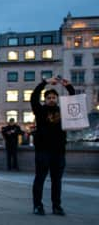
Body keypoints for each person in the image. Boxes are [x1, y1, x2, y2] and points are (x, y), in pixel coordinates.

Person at [30, 77, 75, 216]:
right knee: (40, 179)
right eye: (48, 97)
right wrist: (45, 82)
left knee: (57, 180)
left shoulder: (63, 111)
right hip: (43, 150)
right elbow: (33, 97)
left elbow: (73, 102)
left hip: (59, 150)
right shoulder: (40, 110)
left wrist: (69, 87)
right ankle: (38, 205)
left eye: (53, 97)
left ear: (57, 99)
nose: (51, 99)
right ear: (45, 99)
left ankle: (57, 206)